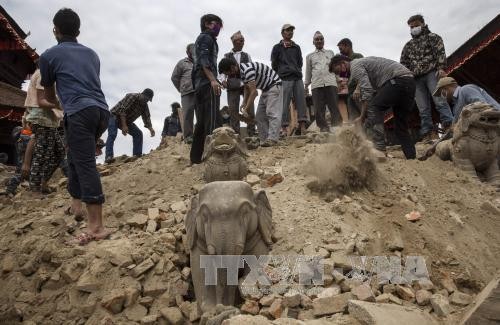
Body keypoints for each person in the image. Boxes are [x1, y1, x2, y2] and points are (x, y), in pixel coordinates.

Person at [39, 8, 111, 244]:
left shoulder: (49, 56)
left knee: (85, 163)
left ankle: (96, 227)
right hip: (101, 111)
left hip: (78, 112)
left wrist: (59, 102)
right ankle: (76, 206)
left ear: (55, 30)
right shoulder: (92, 54)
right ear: (78, 31)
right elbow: (92, 83)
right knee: (75, 157)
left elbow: (49, 97)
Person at [330, 55, 416, 159]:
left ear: (343, 64)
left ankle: (380, 149)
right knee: (400, 127)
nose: (341, 75)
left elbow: (368, 91)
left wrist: (361, 117)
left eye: (338, 71)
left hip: (397, 81)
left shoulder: (355, 66)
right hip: (410, 82)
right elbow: (361, 87)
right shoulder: (362, 63)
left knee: (375, 108)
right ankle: (412, 158)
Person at [400, 14, 453, 142]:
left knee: (439, 101)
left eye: (416, 25)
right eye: (411, 27)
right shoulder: (408, 46)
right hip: (415, 79)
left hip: (432, 73)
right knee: (423, 108)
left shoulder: (433, 38)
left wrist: (441, 68)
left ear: (423, 24)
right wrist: (406, 76)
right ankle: (428, 133)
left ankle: (450, 126)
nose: (414, 28)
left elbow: (440, 52)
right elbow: (403, 63)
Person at [218, 58, 282, 147]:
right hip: (265, 89)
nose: (228, 76)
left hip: (274, 86)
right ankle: (264, 140)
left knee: (271, 113)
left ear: (233, 68)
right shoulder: (241, 72)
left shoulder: (248, 70)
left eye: (227, 73)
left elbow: (254, 92)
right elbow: (246, 88)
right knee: (260, 116)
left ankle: (273, 139)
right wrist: (244, 103)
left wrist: (246, 109)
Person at [25, 68, 65, 194]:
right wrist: (60, 105)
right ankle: (35, 188)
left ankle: (42, 182)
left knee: (59, 151)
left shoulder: (43, 73)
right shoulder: (44, 74)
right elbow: (42, 102)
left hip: (48, 120)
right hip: (42, 118)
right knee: (42, 154)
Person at [190, 14, 223, 164]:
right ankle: (213, 157)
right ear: (208, 24)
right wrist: (213, 80)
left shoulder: (203, 39)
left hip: (199, 85)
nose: (219, 28)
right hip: (206, 83)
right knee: (212, 121)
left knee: (202, 122)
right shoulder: (206, 38)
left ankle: (196, 158)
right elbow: (204, 60)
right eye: (217, 25)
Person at [271, 24, 308, 135]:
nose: (290, 32)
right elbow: (274, 63)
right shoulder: (277, 47)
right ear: (282, 33)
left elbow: (300, 62)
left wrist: (296, 69)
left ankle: (302, 126)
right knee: (284, 103)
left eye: (291, 30)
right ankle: (284, 128)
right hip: (284, 78)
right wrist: (283, 71)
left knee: (301, 101)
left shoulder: (297, 47)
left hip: (297, 77)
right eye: (287, 30)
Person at [105, 88, 155, 163]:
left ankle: (137, 155)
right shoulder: (132, 96)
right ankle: (109, 156)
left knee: (138, 134)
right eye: (146, 99)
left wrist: (151, 129)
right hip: (114, 116)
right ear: (143, 95)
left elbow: (146, 117)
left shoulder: (144, 105)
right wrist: (124, 126)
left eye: (148, 100)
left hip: (127, 121)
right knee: (112, 134)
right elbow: (122, 110)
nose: (147, 101)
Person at [304, 31, 341, 132]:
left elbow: (335, 68)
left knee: (334, 106)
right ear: (313, 42)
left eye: (321, 39)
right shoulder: (309, 56)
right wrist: (306, 86)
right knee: (318, 109)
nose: (319, 41)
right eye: (317, 39)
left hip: (331, 83)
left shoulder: (330, 53)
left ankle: (336, 128)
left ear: (324, 41)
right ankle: (323, 129)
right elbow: (308, 72)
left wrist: (339, 80)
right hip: (316, 85)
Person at [222, 31, 256, 136]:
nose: (242, 42)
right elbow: (222, 70)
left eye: (243, 40)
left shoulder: (247, 55)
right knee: (233, 109)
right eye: (240, 40)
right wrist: (223, 79)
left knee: (250, 108)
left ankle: (251, 132)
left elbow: (251, 68)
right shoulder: (227, 56)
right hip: (232, 84)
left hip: (245, 82)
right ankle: (235, 134)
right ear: (234, 42)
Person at [432, 77, 500, 120]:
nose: (442, 96)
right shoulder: (455, 107)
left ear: (446, 88)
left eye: (441, 93)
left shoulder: (465, 89)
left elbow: (483, 107)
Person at [171, 43, 195, 143]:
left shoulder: (200, 62)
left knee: (201, 114)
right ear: (187, 52)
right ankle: (188, 137)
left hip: (199, 92)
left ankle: (200, 136)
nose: (194, 51)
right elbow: (174, 77)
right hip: (187, 92)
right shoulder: (182, 63)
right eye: (192, 49)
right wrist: (181, 88)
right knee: (188, 114)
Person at [337, 38, 364, 121]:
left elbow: (363, 74)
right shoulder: (343, 61)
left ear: (347, 46)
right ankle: (359, 134)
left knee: (365, 115)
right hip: (349, 94)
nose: (340, 51)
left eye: (341, 49)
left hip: (359, 92)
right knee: (353, 119)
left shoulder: (358, 56)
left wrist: (358, 89)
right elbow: (343, 79)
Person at [4, 126, 32, 196]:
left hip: (24, 152)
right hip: (26, 152)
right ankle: (10, 190)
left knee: (22, 170)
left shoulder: (21, 137)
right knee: (22, 172)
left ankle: (10, 189)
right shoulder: (25, 136)